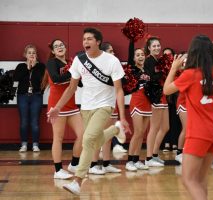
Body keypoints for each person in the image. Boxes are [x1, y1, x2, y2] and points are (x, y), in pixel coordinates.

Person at [47, 27, 130, 195]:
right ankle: (115, 130)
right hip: (85, 107)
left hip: (105, 106)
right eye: (84, 39)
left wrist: (122, 116)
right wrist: (57, 107)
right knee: (93, 141)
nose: (86, 42)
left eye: (90, 39)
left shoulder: (112, 61)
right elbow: (71, 88)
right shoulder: (79, 60)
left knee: (87, 140)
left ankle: (78, 181)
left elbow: (119, 90)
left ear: (98, 42)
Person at [164, 35, 213, 200]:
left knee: (188, 180)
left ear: (193, 52)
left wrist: (173, 68)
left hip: (199, 133)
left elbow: (166, 91)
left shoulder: (190, 74)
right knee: (200, 179)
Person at [43, 39, 83, 179]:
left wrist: (81, 71)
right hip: (57, 105)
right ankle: (58, 170)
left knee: (83, 135)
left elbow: (81, 84)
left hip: (71, 105)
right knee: (58, 138)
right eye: (56, 46)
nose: (59, 47)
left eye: (62, 45)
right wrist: (73, 71)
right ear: (53, 51)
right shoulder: (52, 62)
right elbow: (56, 79)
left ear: (65, 48)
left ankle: (74, 163)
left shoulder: (71, 63)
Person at [88, 42, 124, 176]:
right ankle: (93, 165)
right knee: (99, 135)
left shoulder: (113, 66)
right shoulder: (98, 67)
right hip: (100, 105)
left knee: (108, 136)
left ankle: (106, 163)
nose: (113, 54)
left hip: (111, 104)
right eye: (110, 51)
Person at [13, 44, 45, 152]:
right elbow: (16, 79)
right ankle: (24, 144)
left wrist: (34, 66)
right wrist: (28, 68)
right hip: (22, 96)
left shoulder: (41, 66)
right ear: (25, 55)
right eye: (29, 53)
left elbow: (41, 81)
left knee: (35, 121)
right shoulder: (20, 66)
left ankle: (36, 144)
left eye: (34, 52)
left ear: (36, 55)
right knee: (24, 121)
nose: (32, 54)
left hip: (36, 96)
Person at [125, 44, 152, 171]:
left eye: (142, 54)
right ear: (134, 58)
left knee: (142, 133)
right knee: (137, 132)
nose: (140, 56)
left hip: (147, 103)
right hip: (137, 103)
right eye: (138, 55)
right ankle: (129, 161)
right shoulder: (133, 69)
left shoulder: (147, 70)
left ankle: (136, 160)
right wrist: (132, 40)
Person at [144, 37, 168, 167]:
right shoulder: (148, 61)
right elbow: (151, 78)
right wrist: (163, 72)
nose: (157, 48)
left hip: (162, 95)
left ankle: (154, 154)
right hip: (155, 96)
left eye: (158, 45)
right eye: (154, 46)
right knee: (154, 128)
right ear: (149, 47)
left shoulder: (158, 60)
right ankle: (148, 157)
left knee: (165, 127)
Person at [162, 47, 181, 153]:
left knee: (175, 120)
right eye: (165, 55)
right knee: (165, 121)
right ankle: (166, 142)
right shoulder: (161, 67)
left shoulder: (177, 67)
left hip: (176, 97)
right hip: (164, 97)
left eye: (170, 55)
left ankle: (174, 143)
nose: (168, 57)